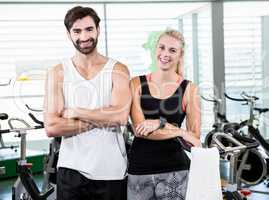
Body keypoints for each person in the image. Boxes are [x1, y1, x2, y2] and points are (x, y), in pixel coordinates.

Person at [43, 6, 131, 200]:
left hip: (111, 170)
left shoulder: (118, 70)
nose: (84, 36)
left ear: (98, 30)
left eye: (89, 29)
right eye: (77, 31)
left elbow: (120, 117)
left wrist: (75, 111)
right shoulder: (57, 73)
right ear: (68, 34)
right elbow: (52, 127)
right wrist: (104, 118)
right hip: (71, 169)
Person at [128, 29, 201, 200]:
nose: (165, 54)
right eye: (162, 47)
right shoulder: (136, 84)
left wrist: (159, 124)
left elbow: (195, 139)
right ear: (155, 49)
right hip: (140, 169)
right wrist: (178, 130)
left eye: (172, 50)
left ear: (180, 55)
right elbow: (140, 130)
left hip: (175, 169)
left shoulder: (190, 89)